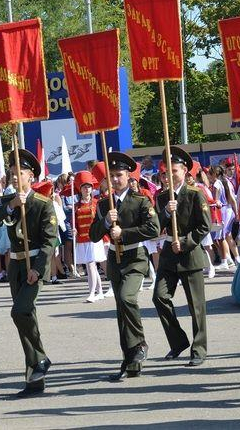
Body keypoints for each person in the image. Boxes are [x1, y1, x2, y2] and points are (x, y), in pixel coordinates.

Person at [0, 149, 57, 398]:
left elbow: (50, 242)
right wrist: (10, 207)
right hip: (15, 265)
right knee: (26, 318)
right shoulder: (9, 202)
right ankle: (35, 378)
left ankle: (40, 359)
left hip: (34, 265)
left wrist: (37, 270)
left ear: (32, 176)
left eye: (21, 173)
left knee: (20, 311)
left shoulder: (43, 204)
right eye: (12, 173)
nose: (16, 178)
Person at [90, 152, 159, 381]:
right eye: (112, 176)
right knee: (121, 310)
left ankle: (140, 344)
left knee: (128, 298)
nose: (116, 179)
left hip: (135, 257)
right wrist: (106, 222)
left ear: (128, 176)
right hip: (114, 259)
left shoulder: (140, 200)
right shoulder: (103, 204)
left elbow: (153, 229)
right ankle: (130, 362)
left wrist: (124, 233)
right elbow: (92, 235)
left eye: (119, 175)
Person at [153, 147, 212, 368]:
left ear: (184, 170)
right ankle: (178, 341)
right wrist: (167, 213)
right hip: (169, 254)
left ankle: (199, 349)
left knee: (196, 306)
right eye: (165, 172)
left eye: (174, 171)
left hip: (189, 254)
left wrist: (186, 242)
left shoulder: (195, 194)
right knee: (159, 297)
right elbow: (155, 227)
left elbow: (204, 226)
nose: (169, 175)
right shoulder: (161, 197)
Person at [73, 171, 107, 302]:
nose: (87, 189)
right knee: (89, 266)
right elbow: (74, 222)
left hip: (94, 238)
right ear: (80, 189)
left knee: (92, 264)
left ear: (92, 188)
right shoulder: (76, 206)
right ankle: (100, 291)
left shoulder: (96, 203)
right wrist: (74, 230)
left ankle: (92, 292)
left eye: (89, 187)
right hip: (82, 239)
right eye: (84, 187)